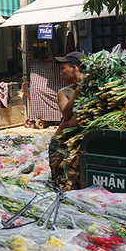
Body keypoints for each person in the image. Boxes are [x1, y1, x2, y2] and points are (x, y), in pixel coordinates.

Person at [49, 52, 85, 186]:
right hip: (60, 145)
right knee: (60, 185)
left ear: (74, 68)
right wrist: (77, 91)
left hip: (78, 146)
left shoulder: (93, 87)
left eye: (63, 68)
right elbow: (66, 114)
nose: (61, 73)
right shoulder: (64, 92)